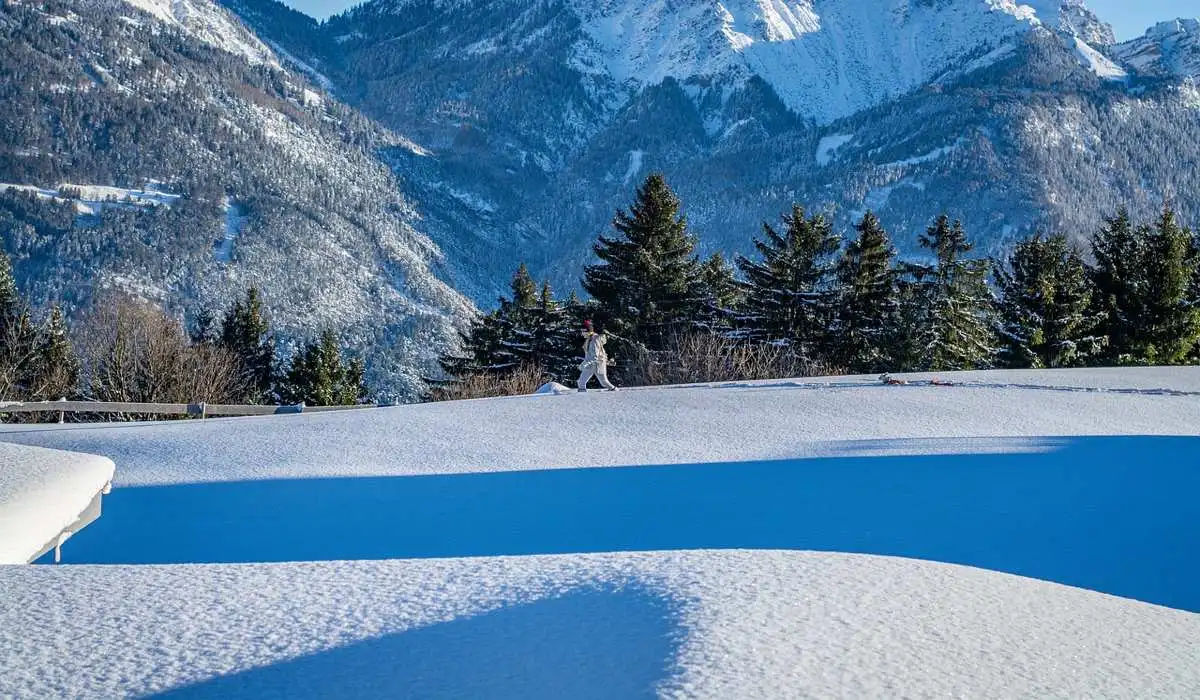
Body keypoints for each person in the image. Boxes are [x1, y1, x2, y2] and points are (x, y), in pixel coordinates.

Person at [578, 319, 617, 392]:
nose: (582, 333)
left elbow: (595, 356)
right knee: (581, 382)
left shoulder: (594, 340)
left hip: (598, 364)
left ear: (588, 332)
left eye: (583, 331)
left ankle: (614, 390)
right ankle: (581, 396)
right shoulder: (588, 339)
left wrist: (584, 364)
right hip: (590, 364)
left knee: (604, 382)